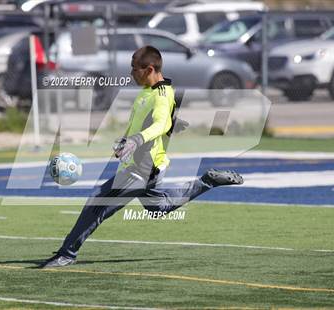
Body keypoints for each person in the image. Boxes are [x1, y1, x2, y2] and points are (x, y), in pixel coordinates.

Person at [42, 46, 243, 268]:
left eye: (134, 69)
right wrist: (126, 140)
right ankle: (207, 181)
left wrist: (138, 139)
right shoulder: (149, 90)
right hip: (142, 167)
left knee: (97, 203)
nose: (131, 73)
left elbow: (160, 123)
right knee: (158, 207)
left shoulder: (162, 95)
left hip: (143, 169)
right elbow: (151, 122)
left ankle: (67, 253)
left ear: (149, 69)